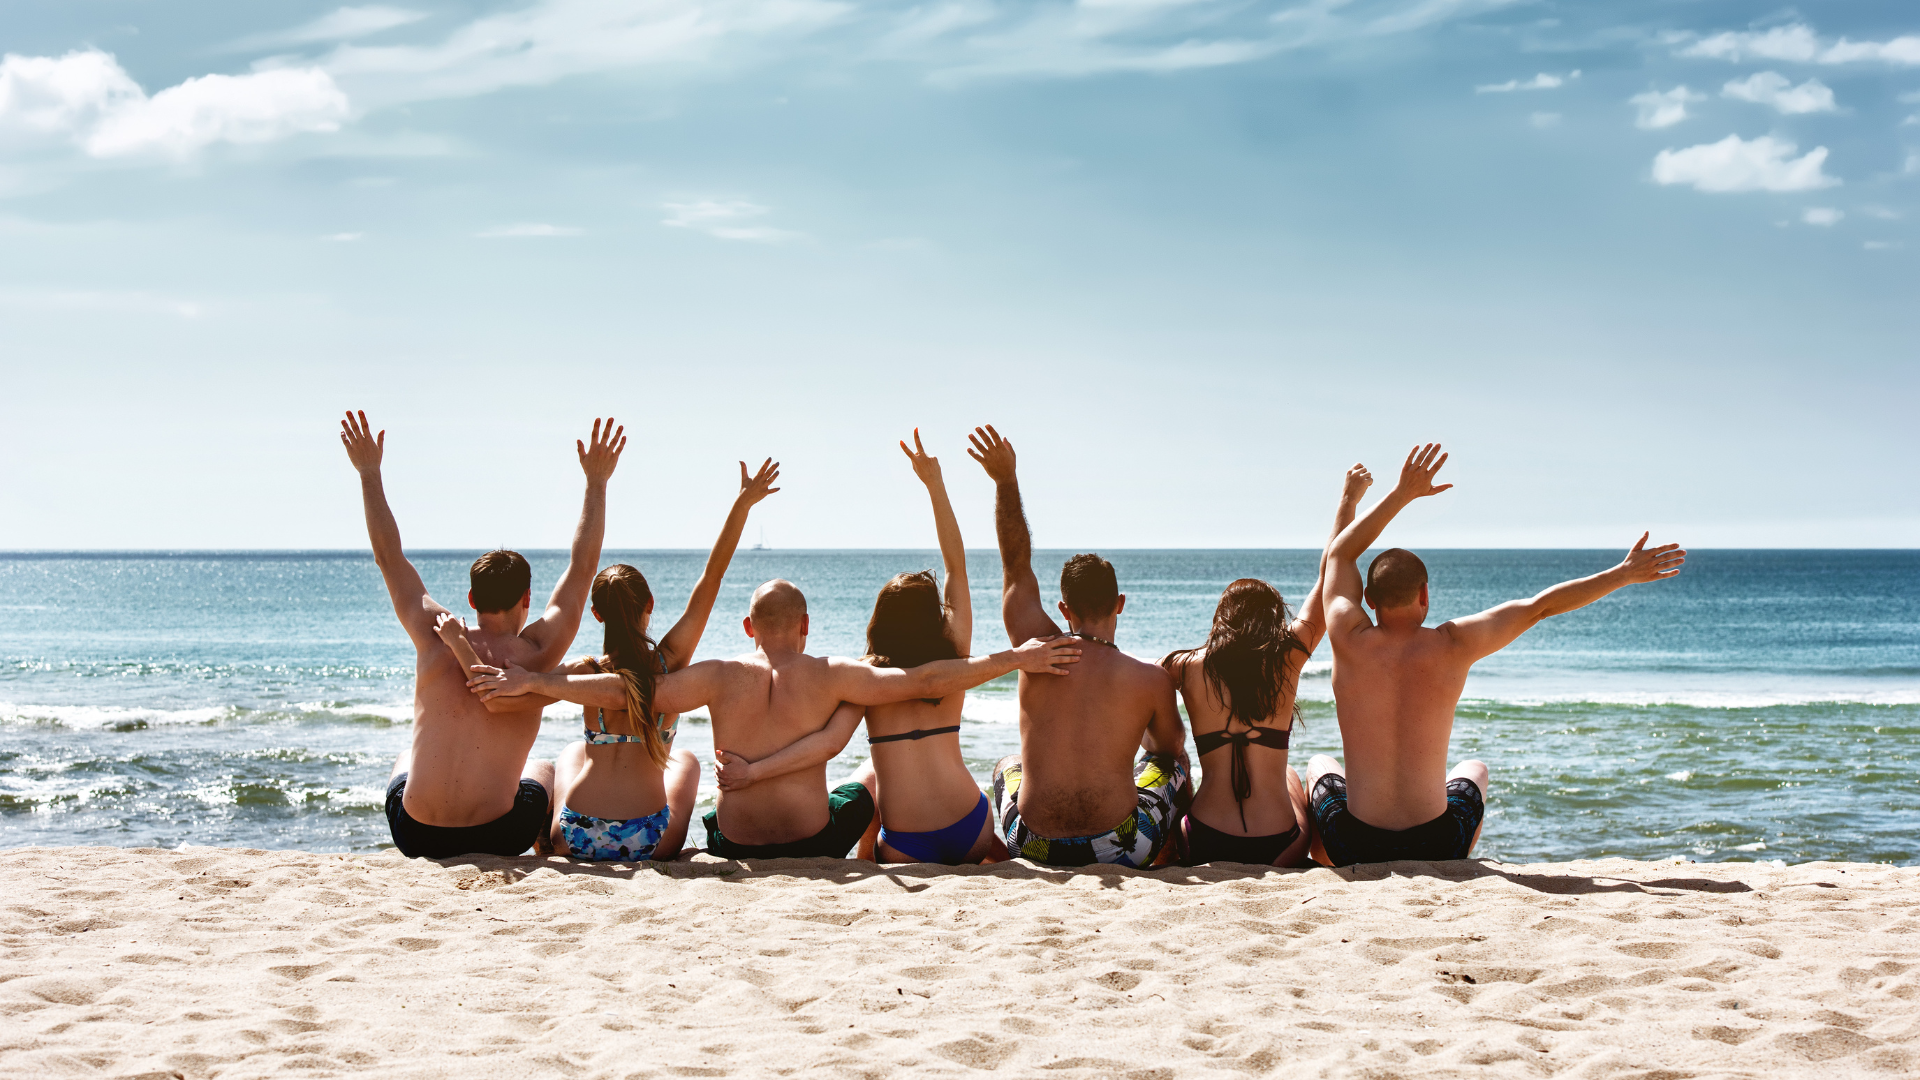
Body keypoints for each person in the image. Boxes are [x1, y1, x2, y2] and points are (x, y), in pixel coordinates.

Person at [469, 577, 1082, 861]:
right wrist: (1015, 658)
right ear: (807, 625)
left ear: (747, 628)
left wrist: (538, 683)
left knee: (697, 786)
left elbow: (639, 690)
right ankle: (874, 856)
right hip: (816, 839)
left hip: (733, 841)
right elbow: (924, 681)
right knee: (866, 787)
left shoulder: (716, 674)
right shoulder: (835, 673)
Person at [1310, 442, 1686, 866]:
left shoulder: (1347, 633)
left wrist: (1394, 494)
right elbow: (1541, 606)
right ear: (1424, 595)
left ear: (1369, 600)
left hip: (1356, 842)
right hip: (1438, 844)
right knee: (1474, 770)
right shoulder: (1455, 644)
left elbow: (1340, 553)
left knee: (1319, 764)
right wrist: (1622, 574)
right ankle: (1460, 862)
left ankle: (1328, 865)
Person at [438, 460, 782, 862]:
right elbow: (713, 574)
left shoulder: (584, 672)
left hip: (576, 837)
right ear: (649, 604)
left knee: (570, 754)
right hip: (651, 841)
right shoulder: (668, 663)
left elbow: (497, 699)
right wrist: (742, 504)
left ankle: (547, 839)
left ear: (596, 614)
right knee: (684, 760)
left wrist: (461, 645)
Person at [711, 431, 1007, 865]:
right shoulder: (954, 658)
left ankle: (866, 857)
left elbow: (829, 741)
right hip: (972, 829)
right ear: (933, 616)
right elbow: (955, 565)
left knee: (870, 776)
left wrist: (754, 771)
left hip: (907, 848)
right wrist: (935, 484)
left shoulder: (866, 676)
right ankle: (994, 855)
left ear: (879, 619)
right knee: (975, 787)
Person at [338, 409, 623, 859]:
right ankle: (546, 846)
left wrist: (369, 472)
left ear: (471, 599)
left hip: (416, 836)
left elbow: (389, 559)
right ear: (527, 599)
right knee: (544, 768)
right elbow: (583, 567)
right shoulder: (538, 650)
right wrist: (596, 483)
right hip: (499, 836)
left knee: (405, 761)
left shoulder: (434, 634)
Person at [968, 424, 1190, 869]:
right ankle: (1172, 858)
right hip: (1121, 847)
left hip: (1031, 844)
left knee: (1007, 764)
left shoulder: (1036, 650)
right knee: (1175, 767)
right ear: (1120, 604)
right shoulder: (1148, 678)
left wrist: (1005, 481)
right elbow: (1167, 747)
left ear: (1063, 608)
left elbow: (1015, 566)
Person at [1160, 464, 1372, 867]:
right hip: (1279, 845)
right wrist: (1348, 502)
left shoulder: (1184, 666)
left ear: (1220, 619)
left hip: (1202, 840)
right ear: (1273, 619)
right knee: (1290, 777)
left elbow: (1136, 679)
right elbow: (1330, 576)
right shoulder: (1286, 657)